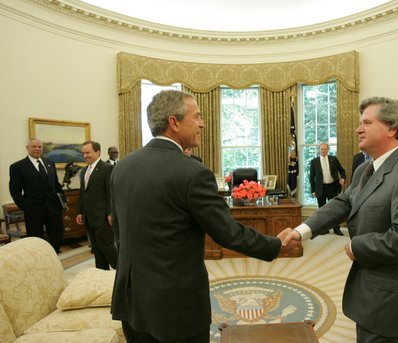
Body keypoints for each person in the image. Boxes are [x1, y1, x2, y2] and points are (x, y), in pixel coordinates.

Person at [110, 90, 283, 343]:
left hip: (131, 301)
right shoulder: (193, 173)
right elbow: (229, 234)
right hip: (176, 307)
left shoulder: (122, 168)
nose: (202, 123)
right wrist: (275, 245)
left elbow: (119, 235)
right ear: (174, 122)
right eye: (197, 116)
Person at [281, 97, 398, 342]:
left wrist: (356, 246)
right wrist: (301, 231)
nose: (358, 129)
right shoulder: (365, 169)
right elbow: (344, 202)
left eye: (367, 122)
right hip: (374, 293)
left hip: (397, 302)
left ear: (391, 128)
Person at [9, 139, 66, 254]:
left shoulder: (50, 163)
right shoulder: (18, 167)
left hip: (53, 208)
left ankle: (53, 258)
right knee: (35, 241)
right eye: (33, 147)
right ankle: (39, 263)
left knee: (57, 236)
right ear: (27, 148)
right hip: (33, 210)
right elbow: (15, 191)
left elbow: (56, 185)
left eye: (39, 147)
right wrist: (25, 206)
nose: (37, 149)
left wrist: (62, 201)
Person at [76, 141, 117, 270]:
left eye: (87, 152)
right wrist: (80, 212)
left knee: (108, 249)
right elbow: (83, 194)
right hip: (89, 218)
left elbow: (110, 193)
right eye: (83, 153)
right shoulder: (83, 171)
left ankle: (122, 273)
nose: (84, 156)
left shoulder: (107, 168)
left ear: (97, 152)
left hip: (103, 218)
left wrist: (110, 213)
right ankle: (102, 276)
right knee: (97, 251)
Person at [309, 142, 346, 235]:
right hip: (320, 188)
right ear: (319, 150)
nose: (323, 151)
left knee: (334, 209)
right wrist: (313, 190)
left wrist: (343, 178)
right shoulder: (314, 161)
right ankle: (324, 229)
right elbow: (311, 177)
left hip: (333, 187)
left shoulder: (333, 159)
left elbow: (342, 170)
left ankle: (336, 228)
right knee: (322, 210)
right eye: (322, 149)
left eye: (325, 149)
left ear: (328, 150)